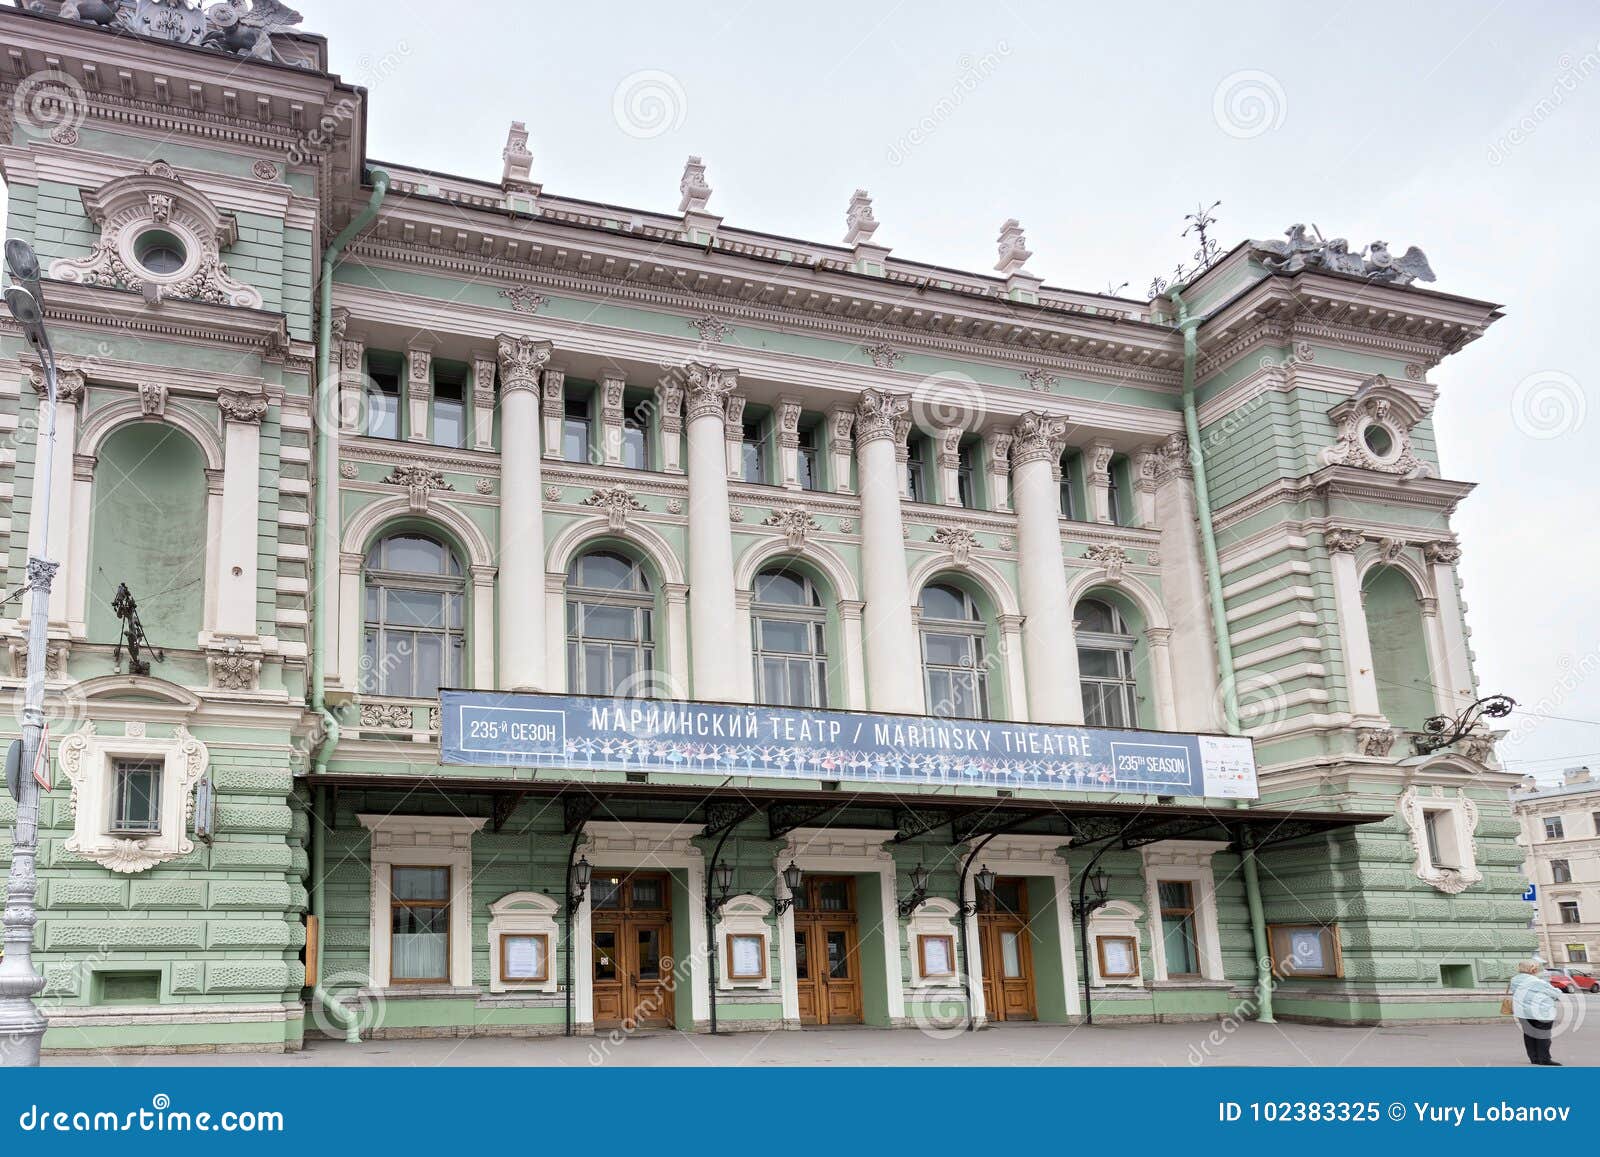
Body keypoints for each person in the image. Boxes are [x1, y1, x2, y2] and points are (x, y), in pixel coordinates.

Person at [1509, 960, 1563, 1066]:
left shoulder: (1514, 980)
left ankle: (1534, 1058)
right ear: (1532, 969)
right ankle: (1544, 1059)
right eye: (1537, 968)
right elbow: (1557, 993)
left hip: (1523, 1013)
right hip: (1540, 1012)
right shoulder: (1537, 981)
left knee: (1529, 1035)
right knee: (1543, 1036)